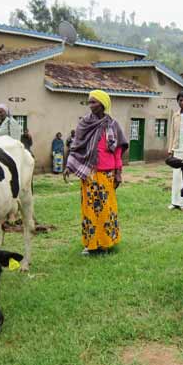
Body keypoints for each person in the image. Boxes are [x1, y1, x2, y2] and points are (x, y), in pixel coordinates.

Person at [64, 90, 128, 255]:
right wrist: (69, 166)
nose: (91, 105)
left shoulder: (113, 125)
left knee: (106, 208)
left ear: (103, 104)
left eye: (94, 102)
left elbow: (118, 151)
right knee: (90, 208)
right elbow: (76, 146)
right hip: (89, 173)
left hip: (107, 173)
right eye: (89, 102)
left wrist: (118, 173)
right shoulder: (84, 124)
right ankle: (91, 244)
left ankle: (106, 243)